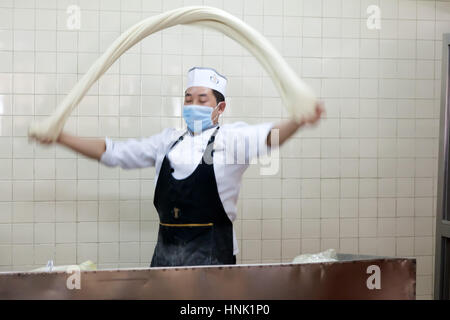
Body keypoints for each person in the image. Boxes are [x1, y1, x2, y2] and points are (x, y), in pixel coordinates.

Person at [34, 67, 324, 267]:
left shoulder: (232, 139)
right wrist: (61, 137)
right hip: (165, 257)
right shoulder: (167, 141)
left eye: (202, 99)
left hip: (214, 259)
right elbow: (115, 152)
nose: (192, 104)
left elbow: (269, 136)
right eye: (188, 98)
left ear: (220, 108)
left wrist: (298, 120)